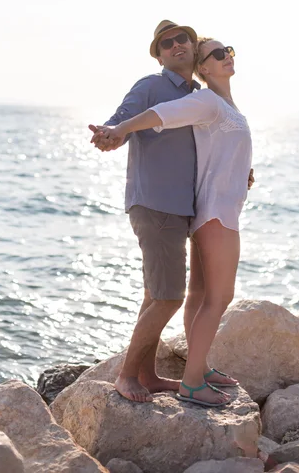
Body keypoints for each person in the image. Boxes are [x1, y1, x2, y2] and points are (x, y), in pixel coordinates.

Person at [93, 37, 253, 407]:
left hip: (206, 208)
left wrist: (244, 170)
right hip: (216, 211)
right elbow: (159, 115)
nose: (227, 56)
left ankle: (198, 369)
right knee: (218, 297)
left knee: (198, 295)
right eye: (217, 53)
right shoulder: (207, 99)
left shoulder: (219, 102)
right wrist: (118, 131)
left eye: (229, 50)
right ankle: (191, 381)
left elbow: (216, 152)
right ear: (204, 67)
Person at [89, 20, 203, 403]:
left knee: (155, 295)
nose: (175, 46)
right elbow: (122, 121)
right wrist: (109, 134)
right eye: (165, 44)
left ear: (193, 45)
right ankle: (126, 376)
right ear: (158, 55)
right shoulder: (150, 86)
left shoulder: (198, 94)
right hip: (155, 204)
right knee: (170, 297)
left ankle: (148, 374)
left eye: (182, 39)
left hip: (179, 209)